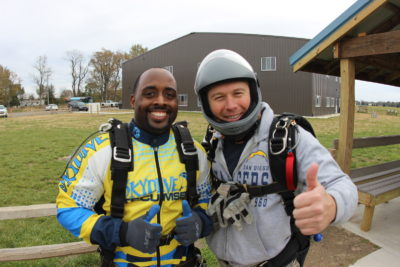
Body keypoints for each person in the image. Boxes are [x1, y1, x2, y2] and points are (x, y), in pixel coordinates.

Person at [194, 49, 358, 267]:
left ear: (253, 92)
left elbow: (341, 184)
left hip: (277, 261)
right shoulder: (213, 143)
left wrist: (332, 204)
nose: (231, 105)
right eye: (219, 97)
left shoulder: (288, 137)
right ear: (206, 103)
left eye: (238, 93)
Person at [56, 67, 213, 267]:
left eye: (170, 95)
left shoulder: (194, 152)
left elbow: (207, 200)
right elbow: (68, 208)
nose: (161, 101)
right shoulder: (101, 151)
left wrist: (201, 221)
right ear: (133, 100)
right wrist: (121, 232)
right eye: (149, 94)